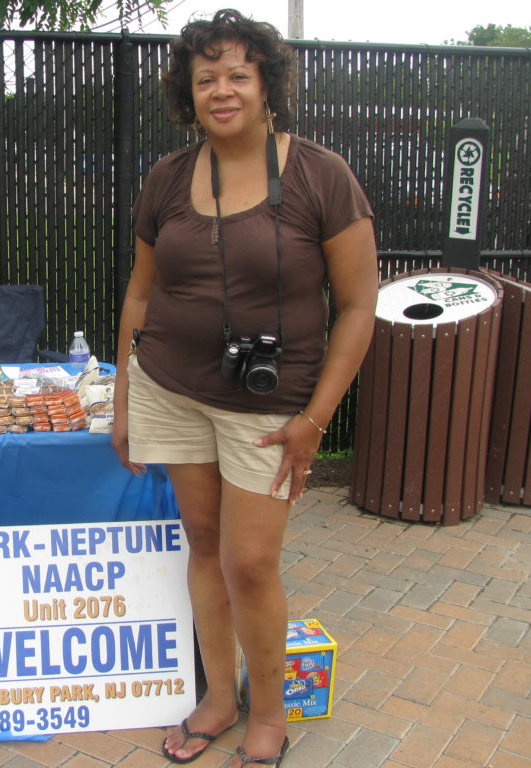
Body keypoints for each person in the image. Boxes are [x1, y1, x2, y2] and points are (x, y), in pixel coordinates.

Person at [111, 9, 378, 768]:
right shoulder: (166, 178)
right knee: (202, 543)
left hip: (270, 409)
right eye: (205, 78)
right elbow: (140, 293)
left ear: (267, 85)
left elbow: (359, 305)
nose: (221, 90)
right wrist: (127, 400)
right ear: (187, 93)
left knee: (251, 562)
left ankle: (269, 713)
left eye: (237, 75)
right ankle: (218, 698)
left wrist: (317, 419)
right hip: (169, 388)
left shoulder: (320, 175)